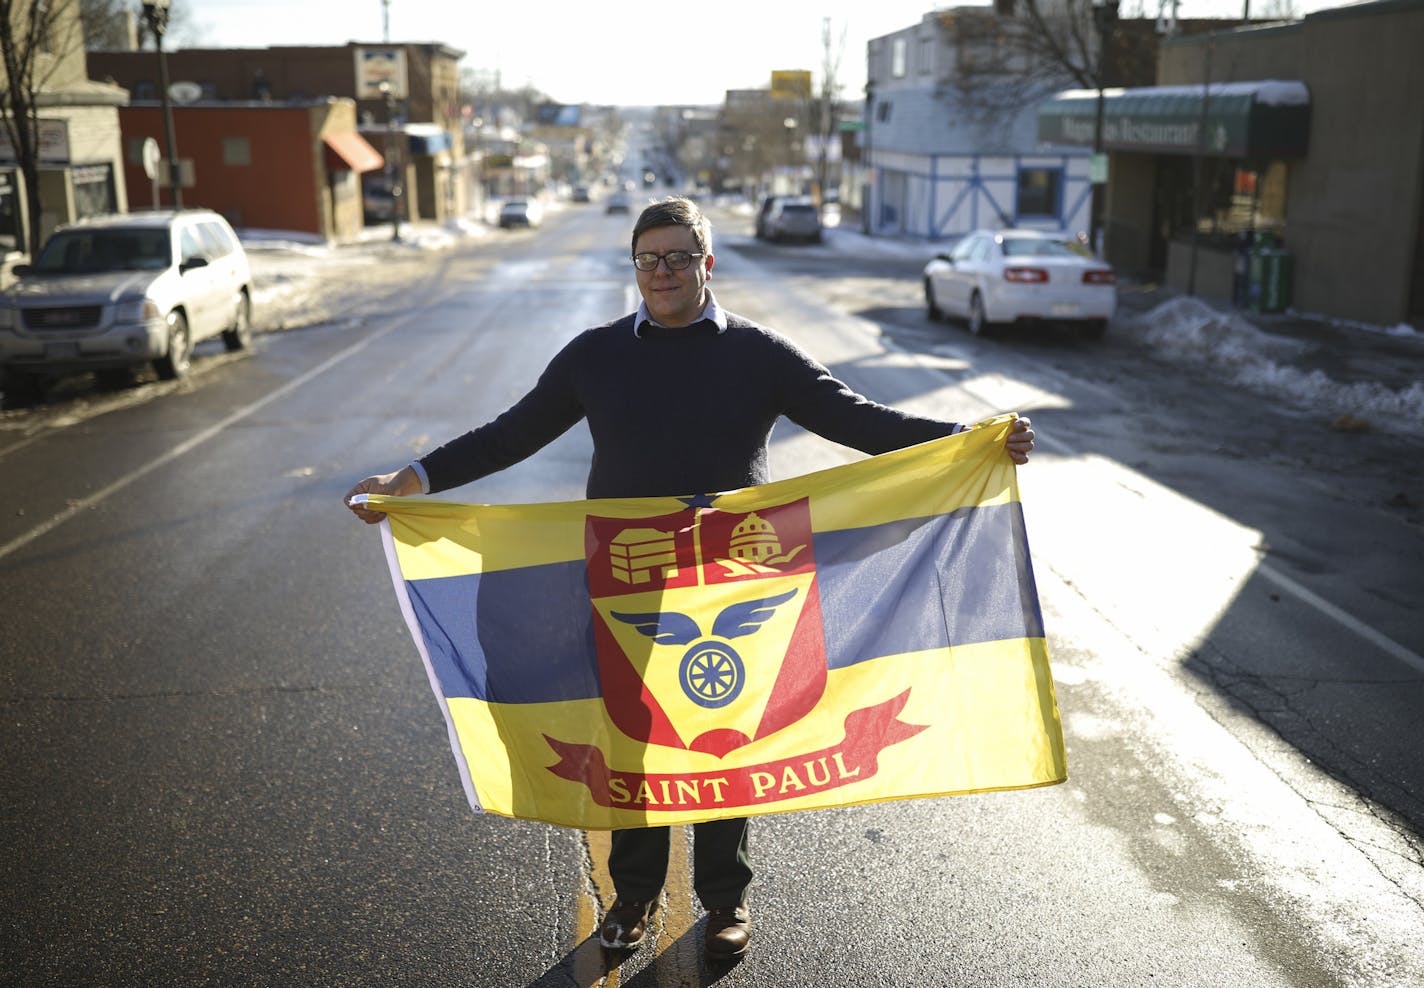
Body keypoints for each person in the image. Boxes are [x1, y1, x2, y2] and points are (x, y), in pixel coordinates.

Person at [345, 196, 1035, 962]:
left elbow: (856, 419)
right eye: (649, 259)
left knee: (723, 739)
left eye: (678, 257)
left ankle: (725, 899)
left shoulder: (760, 353)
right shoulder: (594, 356)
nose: (663, 272)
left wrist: (967, 439)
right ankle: (634, 897)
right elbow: (512, 432)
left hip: (734, 578)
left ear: (708, 264)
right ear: (635, 269)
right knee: (637, 744)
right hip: (626, 581)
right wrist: (413, 478)